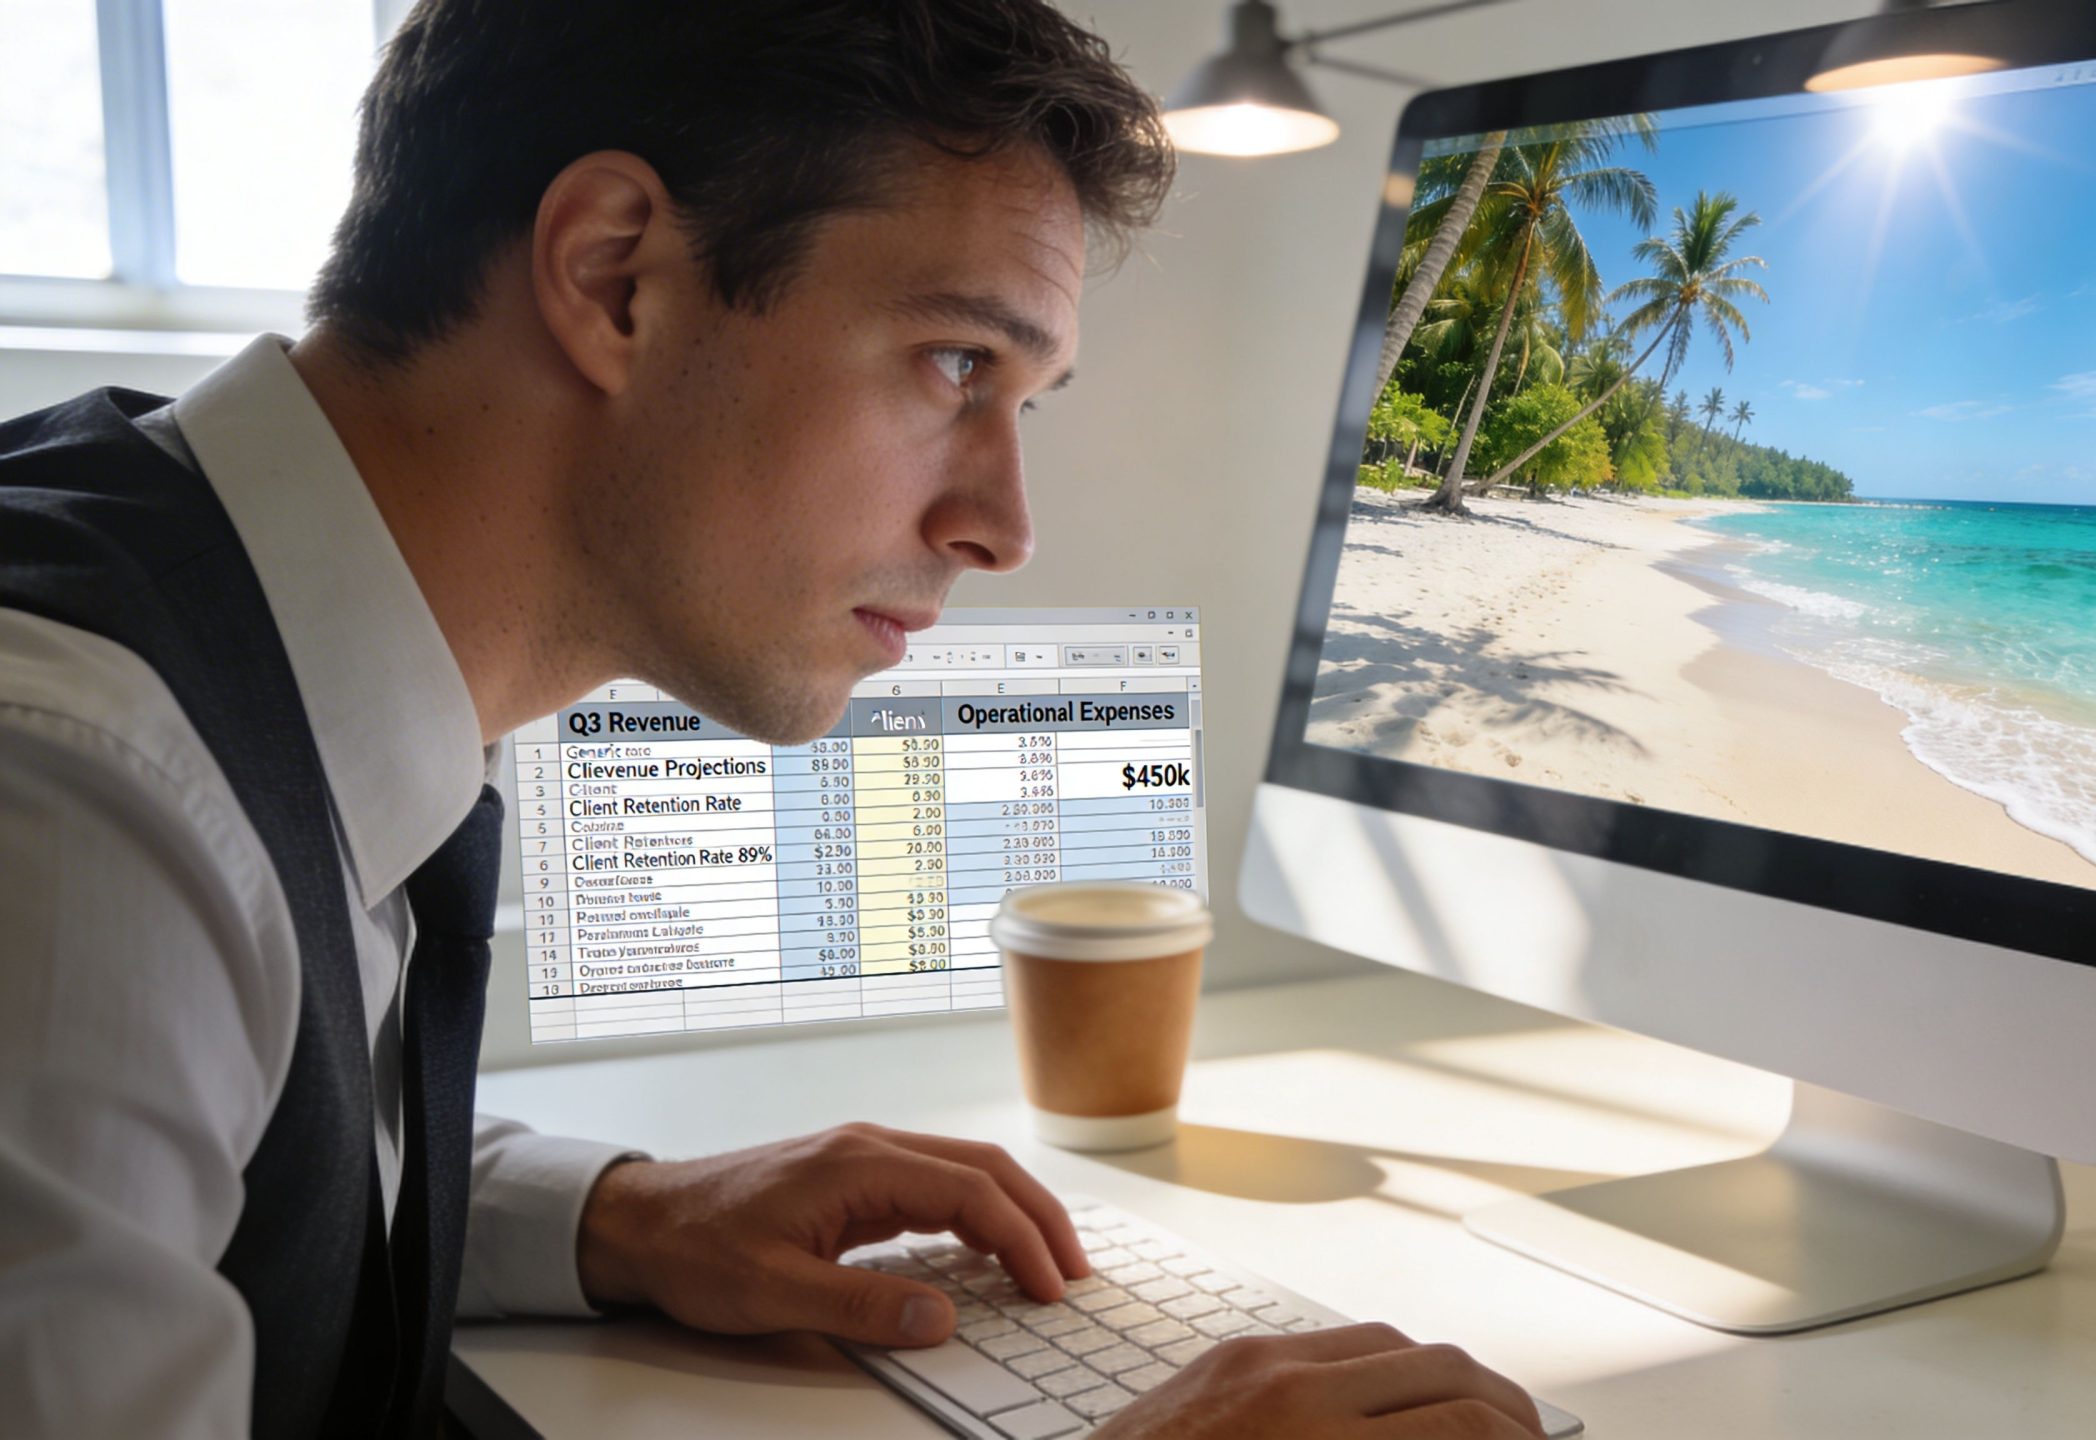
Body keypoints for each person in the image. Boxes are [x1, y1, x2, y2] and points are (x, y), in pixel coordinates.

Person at [0, 2, 1545, 1437]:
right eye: (958, 362)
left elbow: (235, 1140)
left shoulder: (240, 636)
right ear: (616, 277)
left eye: (1029, 397)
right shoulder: (81, 812)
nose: (1005, 527)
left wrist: (620, 1213)